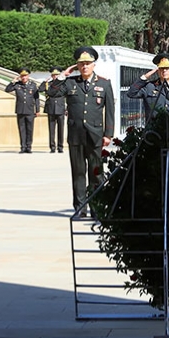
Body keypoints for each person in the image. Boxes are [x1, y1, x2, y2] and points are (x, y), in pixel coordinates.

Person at [48, 46, 115, 215]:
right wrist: (63, 76)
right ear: (77, 66)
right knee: (78, 173)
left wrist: (108, 134)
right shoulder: (70, 82)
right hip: (76, 135)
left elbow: (110, 111)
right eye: (81, 64)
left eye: (88, 63)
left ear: (93, 65)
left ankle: (97, 207)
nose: (85, 67)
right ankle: (80, 207)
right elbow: (52, 92)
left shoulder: (104, 83)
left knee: (96, 173)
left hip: (95, 135)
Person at [126, 52, 169, 123]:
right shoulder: (150, 86)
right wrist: (144, 77)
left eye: (167, 68)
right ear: (158, 70)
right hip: (154, 127)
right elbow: (131, 93)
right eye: (161, 68)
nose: (164, 70)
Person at [5, 68, 41, 153]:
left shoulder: (33, 85)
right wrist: (13, 81)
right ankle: (23, 147)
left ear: (28, 76)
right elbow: (7, 90)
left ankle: (29, 147)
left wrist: (37, 110)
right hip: (20, 110)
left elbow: (36, 98)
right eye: (22, 76)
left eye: (25, 76)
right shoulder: (17, 85)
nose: (24, 78)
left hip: (30, 110)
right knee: (22, 129)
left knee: (30, 129)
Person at [38, 68, 66, 153]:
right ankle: (52, 147)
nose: (55, 77)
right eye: (54, 75)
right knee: (51, 129)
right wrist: (44, 82)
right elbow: (40, 89)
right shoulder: (48, 84)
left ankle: (60, 147)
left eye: (57, 75)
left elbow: (64, 94)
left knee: (61, 129)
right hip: (51, 107)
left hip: (60, 107)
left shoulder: (63, 84)